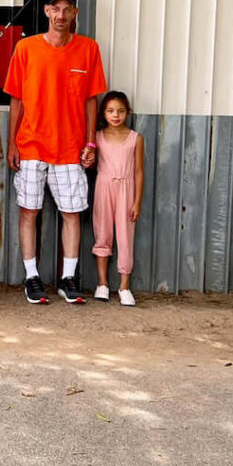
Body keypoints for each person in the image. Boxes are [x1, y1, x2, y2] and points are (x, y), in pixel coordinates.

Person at [3, 0, 107, 305]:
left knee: (72, 213)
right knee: (29, 212)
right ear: (47, 11)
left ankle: (68, 278)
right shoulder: (26, 48)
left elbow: (92, 100)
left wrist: (90, 141)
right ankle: (31, 277)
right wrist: (12, 143)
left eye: (67, 10)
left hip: (70, 147)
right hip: (31, 144)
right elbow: (16, 100)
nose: (61, 16)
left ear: (75, 13)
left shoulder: (88, 49)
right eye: (56, 9)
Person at [91, 91, 144, 306]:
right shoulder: (97, 137)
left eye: (121, 111)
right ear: (104, 113)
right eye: (111, 111)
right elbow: (89, 162)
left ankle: (124, 286)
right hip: (103, 188)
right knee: (102, 233)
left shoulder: (135, 138)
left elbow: (139, 171)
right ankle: (102, 284)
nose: (116, 115)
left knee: (125, 237)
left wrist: (137, 201)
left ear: (127, 112)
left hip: (127, 190)